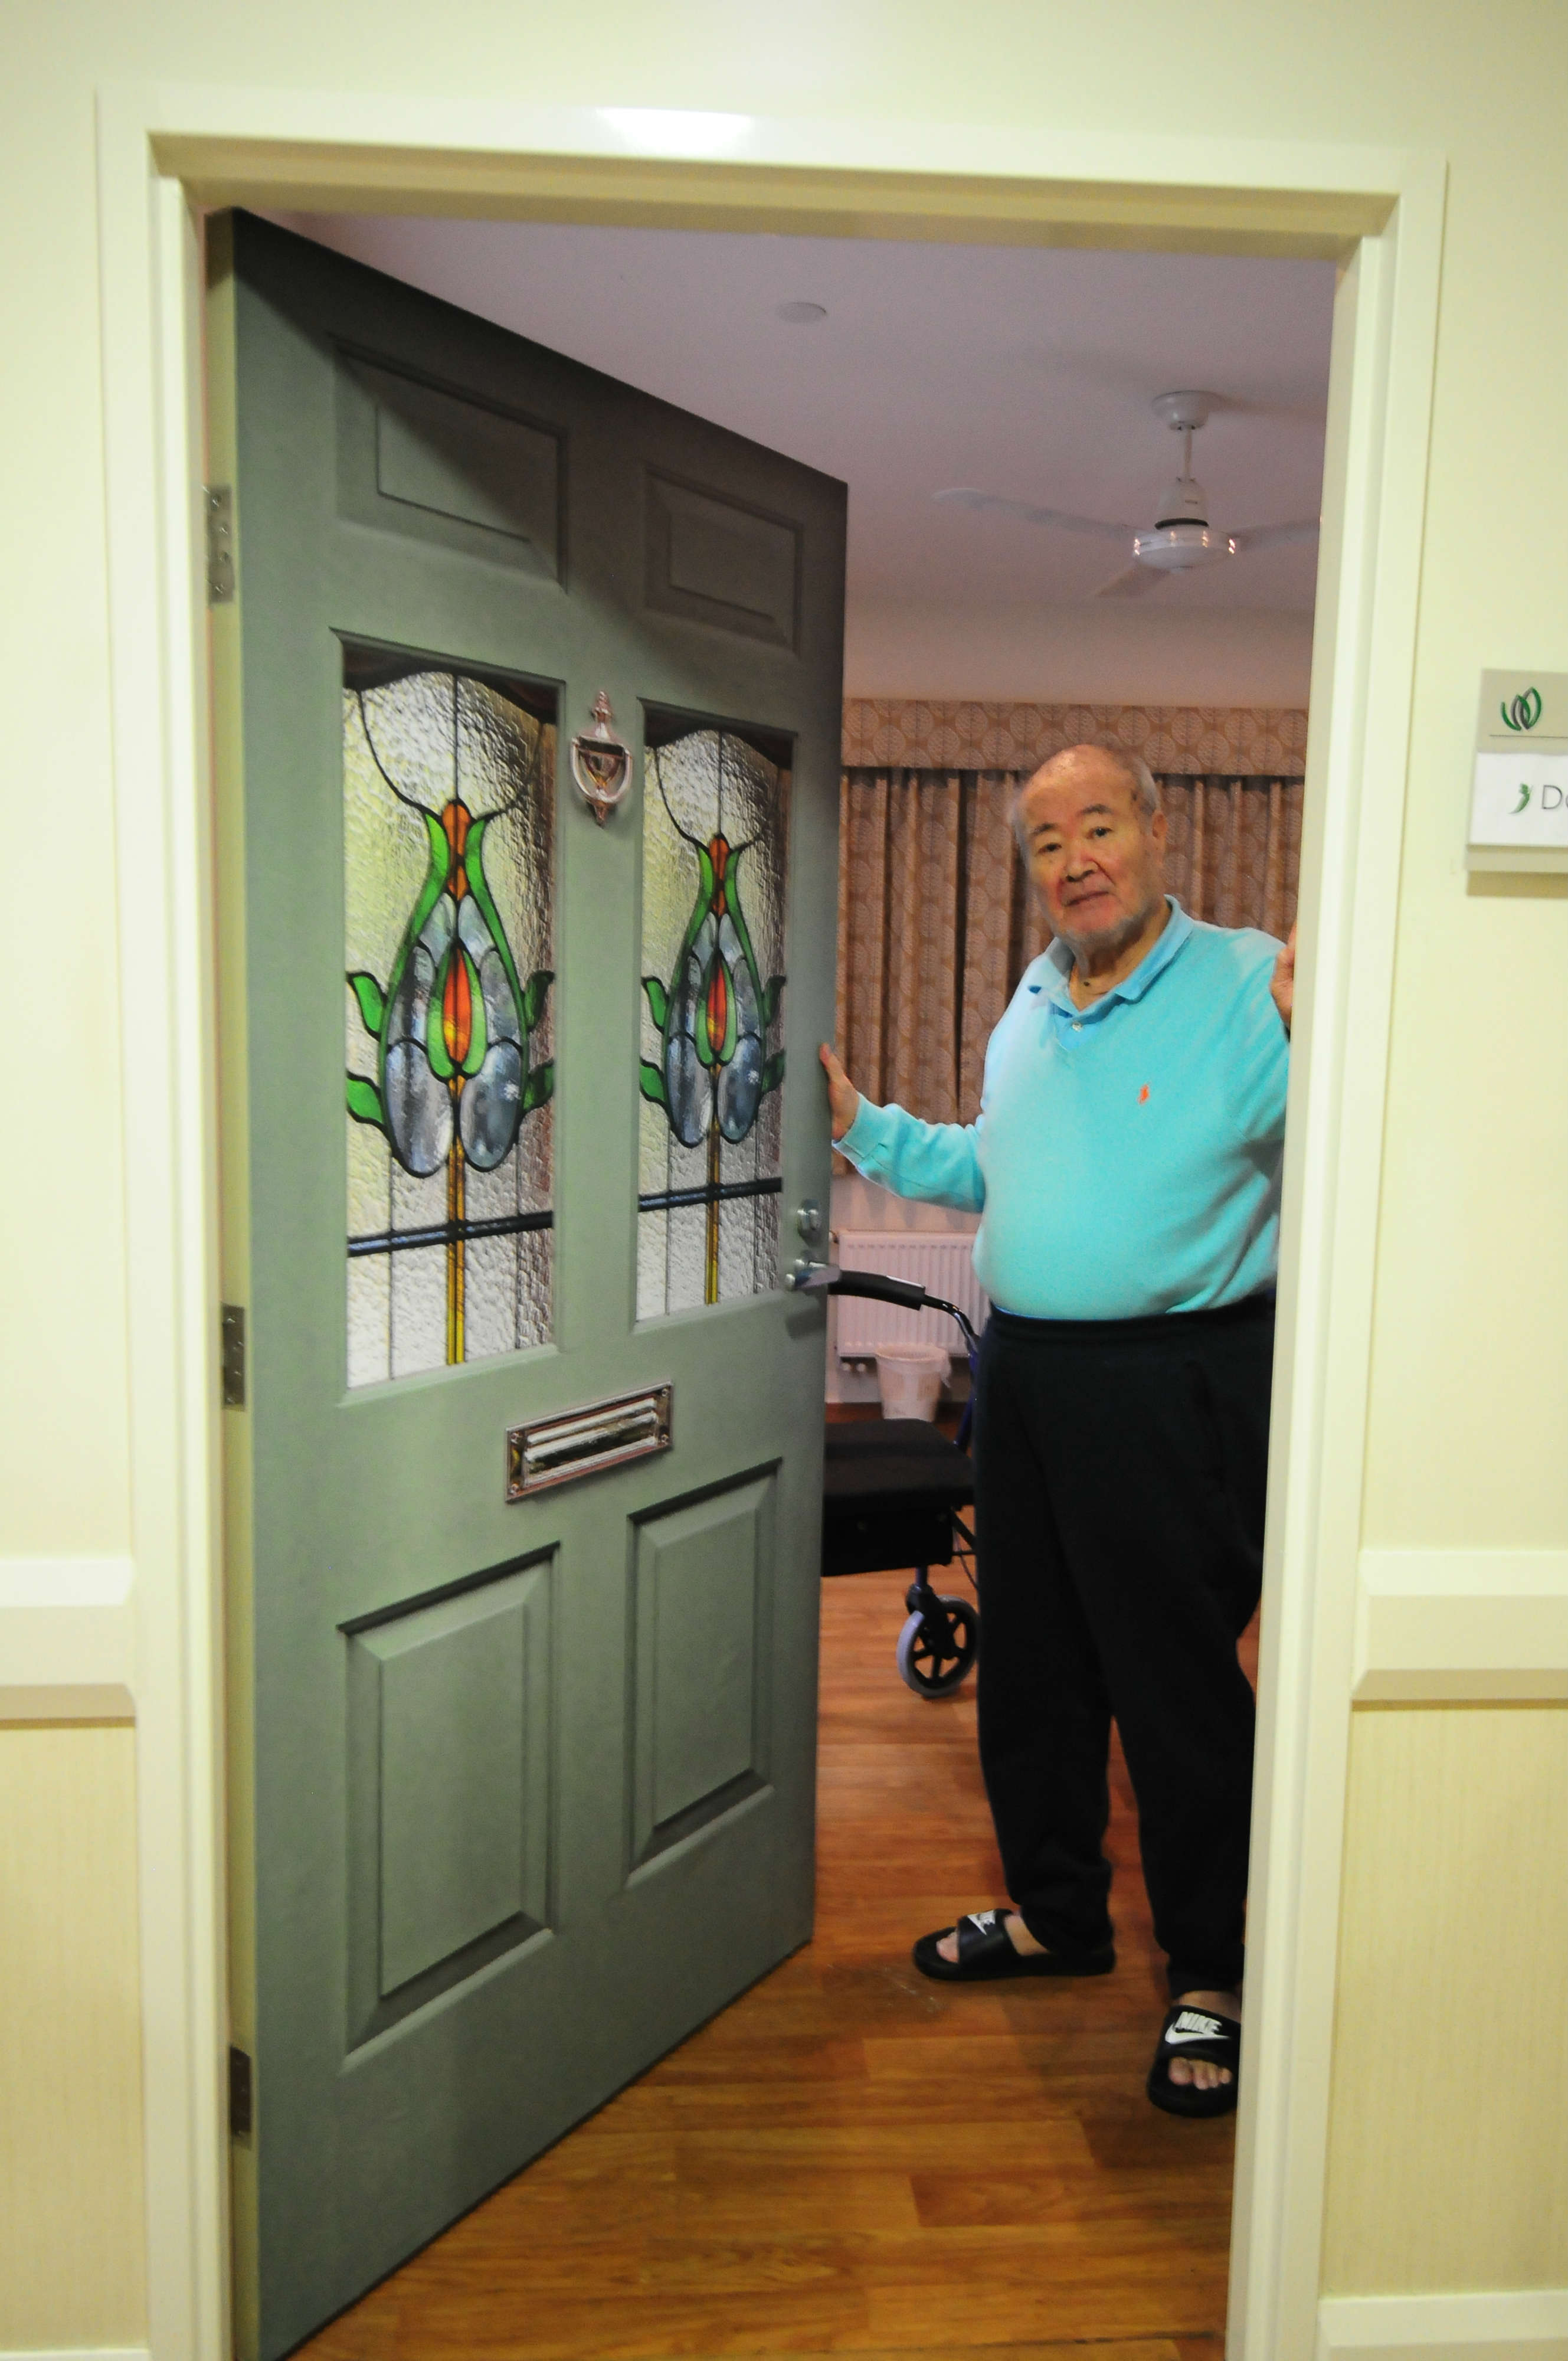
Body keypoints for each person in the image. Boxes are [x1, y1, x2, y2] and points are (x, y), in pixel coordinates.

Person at [819, 742, 1294, 2118]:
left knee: (1176, 1686)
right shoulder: (1037, 997)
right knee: (1033, 1667)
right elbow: (995, 1160)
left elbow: (1364, 1127)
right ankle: (1055, 1912)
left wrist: (1344, 1021)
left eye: (1099, 825)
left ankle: (1216, 1971)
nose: (1076, 857)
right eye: (1045, 840)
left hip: (1175, 1379)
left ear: (1159, 827)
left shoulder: (1251, 984)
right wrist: (866, 1128)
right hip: (1022, 1375)